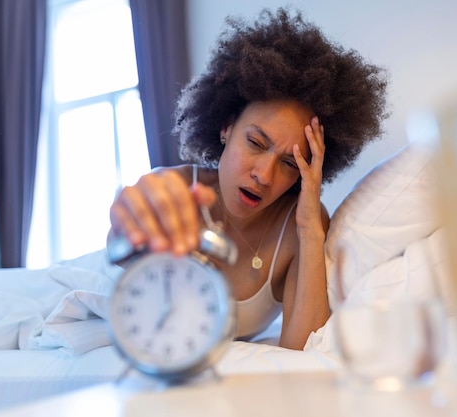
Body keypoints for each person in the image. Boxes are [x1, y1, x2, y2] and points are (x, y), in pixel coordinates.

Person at [108, 7, 388, 350]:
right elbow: (120, 246)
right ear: (226, 128)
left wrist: (311, 232)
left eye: (289, 162)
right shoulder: (174, 190)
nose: (264, 175)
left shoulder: (300, 228)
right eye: (255, 142)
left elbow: (303, 351)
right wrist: (128, 215)